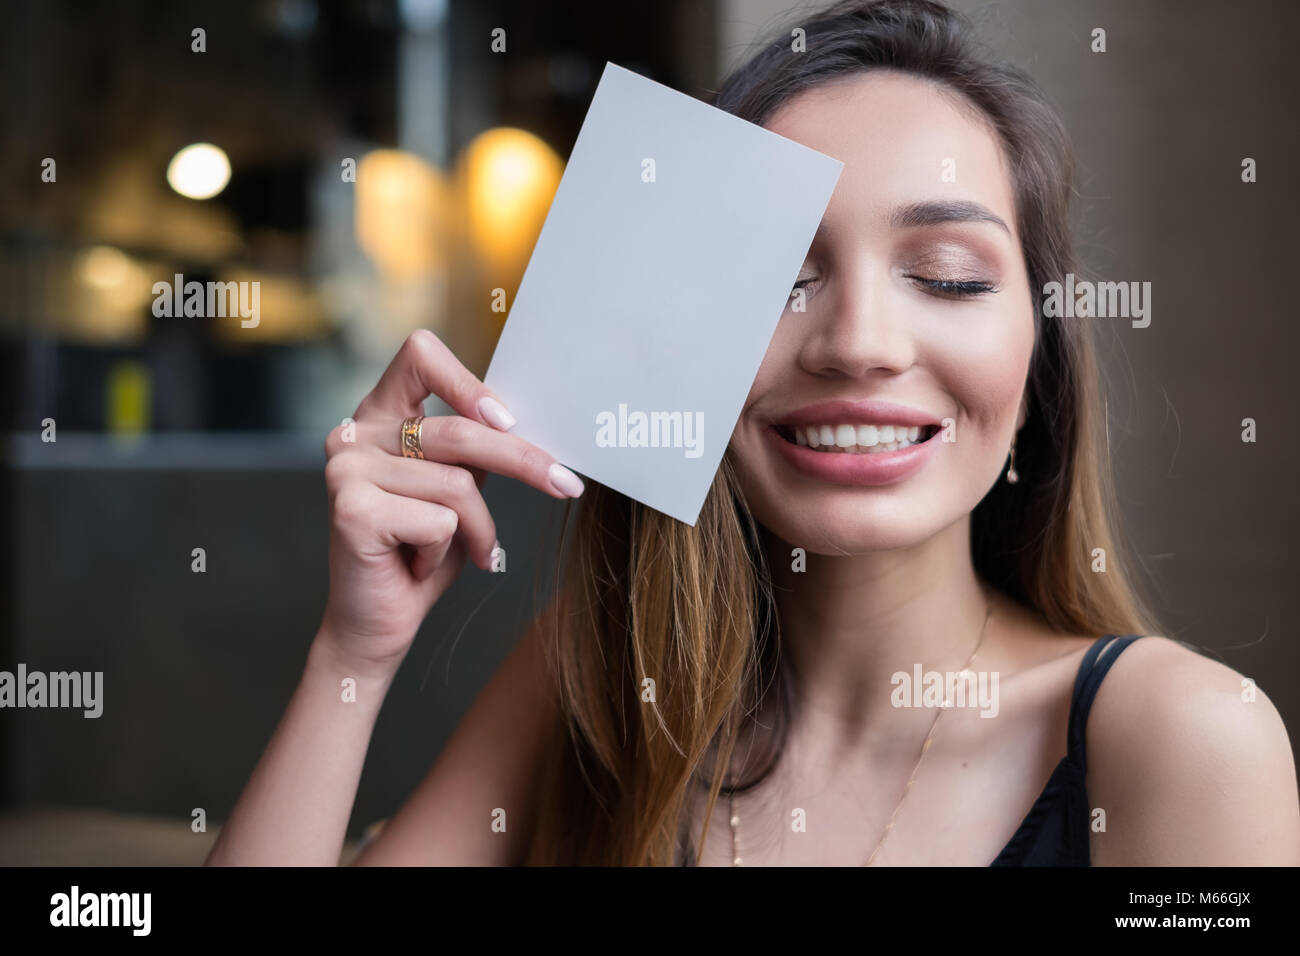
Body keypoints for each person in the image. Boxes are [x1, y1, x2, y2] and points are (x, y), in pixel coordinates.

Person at [205, 0, 1299, 866]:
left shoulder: (1178, 737)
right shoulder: (595, 685)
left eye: (947, 277)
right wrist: (354, 654)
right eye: (780, 277)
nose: (859, 342)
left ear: (1037, 358)